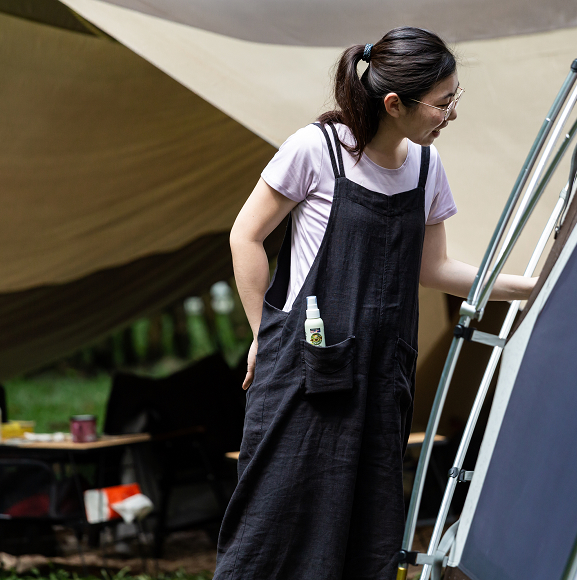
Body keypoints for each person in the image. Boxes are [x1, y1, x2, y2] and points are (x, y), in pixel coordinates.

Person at [215, 27, 536, 580]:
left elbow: (432, 269)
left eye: (453, 98)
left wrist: (530, 286)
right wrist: (265, 337)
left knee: (367, 537)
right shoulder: (316, 150)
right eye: (443, 102)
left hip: (380, 381)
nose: (450, 113)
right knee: (272, 528)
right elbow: (245, 236)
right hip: (304, 372)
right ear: (395, 103)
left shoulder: (427, 169)